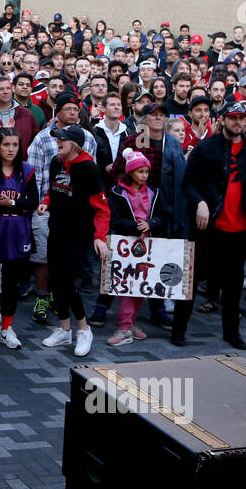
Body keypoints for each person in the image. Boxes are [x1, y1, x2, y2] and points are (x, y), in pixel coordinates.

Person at [173, 101, 246, 349]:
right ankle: (178, 331)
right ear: (222, 120)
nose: (238, 122)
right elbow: (188, 183)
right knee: (192, 281)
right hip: (208, 228)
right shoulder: (206, 148)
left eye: (242, 117)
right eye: (232, 117)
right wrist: (199, 202)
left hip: (240, 230)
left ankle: (231, 333)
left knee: (233, 285)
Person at [40, 125, 110, 355]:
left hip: (78, 235)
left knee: (69, 284)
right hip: (56, 230)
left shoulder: (88, 168)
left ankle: (83, 329)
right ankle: (64, 329)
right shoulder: (56, 162)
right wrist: (46, 203)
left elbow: (101, 208)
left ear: (75, 144)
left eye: (63, 139)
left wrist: (99, 237)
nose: (58, 142)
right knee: (56, 283)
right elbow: (54, 189)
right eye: (57, 138)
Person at [105, 149, 171, 346]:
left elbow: (164, 215)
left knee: (142, 286)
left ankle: (131, 322)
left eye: (146, 172)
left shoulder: (154, 192)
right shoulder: (118, 193)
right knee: (128, 287)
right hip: (126, 245)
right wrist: (134, 227)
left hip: (149, 245)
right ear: (131, 172)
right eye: (140, 171)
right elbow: (115, 220)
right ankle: (124, 327)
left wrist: (151, 223)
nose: (144, 176)